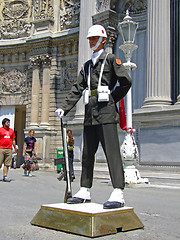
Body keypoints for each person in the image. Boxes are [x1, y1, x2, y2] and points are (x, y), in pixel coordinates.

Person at [56, 24, 132, 209]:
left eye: (94, 38)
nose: (91, 41)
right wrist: (64, 108)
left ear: (103, 40)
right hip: (90, 112)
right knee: (87, 153)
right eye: (89, 38)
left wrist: (113, 98)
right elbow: (77, 88)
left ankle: (118, 191)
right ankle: (84, 189)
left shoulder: (111, 59)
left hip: (106, 111)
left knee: (112, 152)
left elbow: (126, 81)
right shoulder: (87, 66)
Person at [0, 118, 16, 182]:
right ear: (4, 123)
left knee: (7, 164)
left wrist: (15, 148)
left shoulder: (11, 131)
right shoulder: (0, 130)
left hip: (9, 149)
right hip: (1, 148)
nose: (8, 124)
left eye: (9, 122)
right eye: (7, 122)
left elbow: (13, 140)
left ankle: (5, 176)